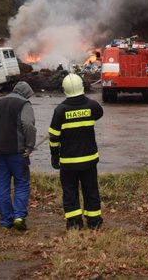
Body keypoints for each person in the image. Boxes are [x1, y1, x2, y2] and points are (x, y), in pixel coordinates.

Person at [50, 72, 105, 230]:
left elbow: (54, 138)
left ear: (65, 89)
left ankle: (74, 224)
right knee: (91, 190)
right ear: (81, 87)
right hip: (89, 160)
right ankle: (94, 222)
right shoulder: (92, 106)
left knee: (70, 192)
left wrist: (55, 158)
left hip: (68, 163)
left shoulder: (60, 110)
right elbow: (98, 114)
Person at [0, 81, 36, 230]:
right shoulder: (24, 104)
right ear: (26, 93)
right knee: (21, 183)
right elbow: (28, 125)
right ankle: (19, 217)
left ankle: (6, 220)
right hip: (18, 152)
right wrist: (29, 146)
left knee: (1, 185)